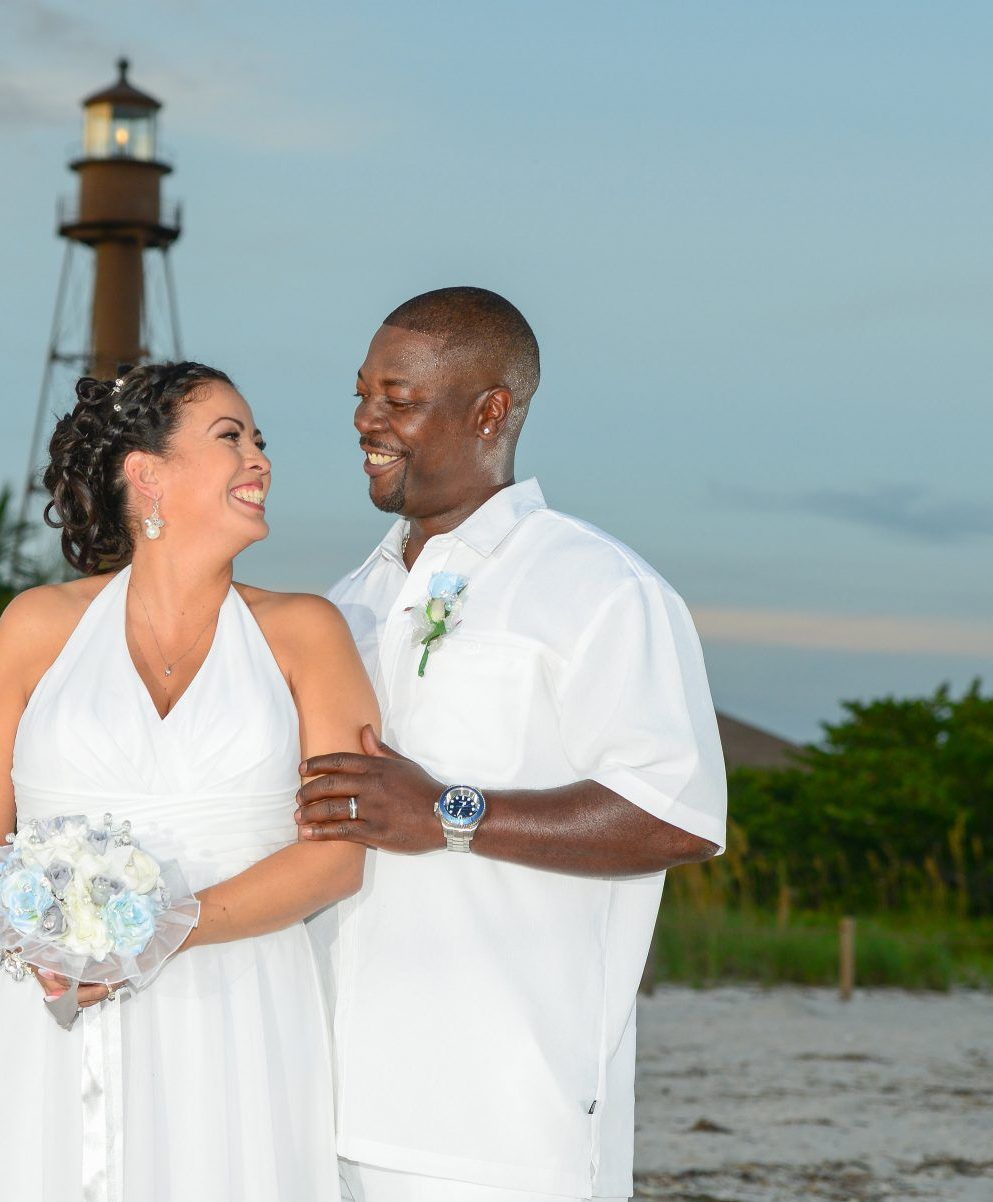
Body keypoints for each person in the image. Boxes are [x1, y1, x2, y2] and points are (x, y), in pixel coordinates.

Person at [300, 288, 728, 1201]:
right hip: (314, 1106)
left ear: (491, 410)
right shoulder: (346, 600)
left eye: (400, 399)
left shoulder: (599, 588)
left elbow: (674, 817)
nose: (366, 421)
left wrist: (449, 814)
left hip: (498, 1120)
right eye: (362, 395)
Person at [0, 362, 379, 1201]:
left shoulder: (306, 633)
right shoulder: (37, 626)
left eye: (259, 441)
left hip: (238, 999)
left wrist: (164, 929)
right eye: (230, 437)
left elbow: (337, 857)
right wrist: (41, 933)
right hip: (49, 997)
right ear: (148, 474)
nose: (260, 459)